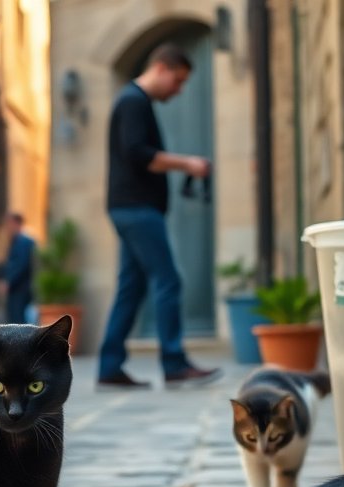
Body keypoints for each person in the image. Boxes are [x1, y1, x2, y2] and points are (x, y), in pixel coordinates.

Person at [97, 44, 221, 390]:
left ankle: (109, 368)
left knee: (130, 289)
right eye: (178, 81)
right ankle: (174, 363)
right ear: (162, 68)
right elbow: (138, 155)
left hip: (130, 207)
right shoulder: (133, 101)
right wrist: (188, 163)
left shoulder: (133, 101)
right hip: (136, 209)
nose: (179, 90)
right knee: (168, 280)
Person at [3, 211, 36, 324]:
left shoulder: (23, 242)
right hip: (19, 288)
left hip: (20, 288)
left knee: (18, 320)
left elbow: (21, 264)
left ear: (16, 224)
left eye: (9, 223)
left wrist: (9, 281)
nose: (7, 227)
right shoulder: (18, 241)